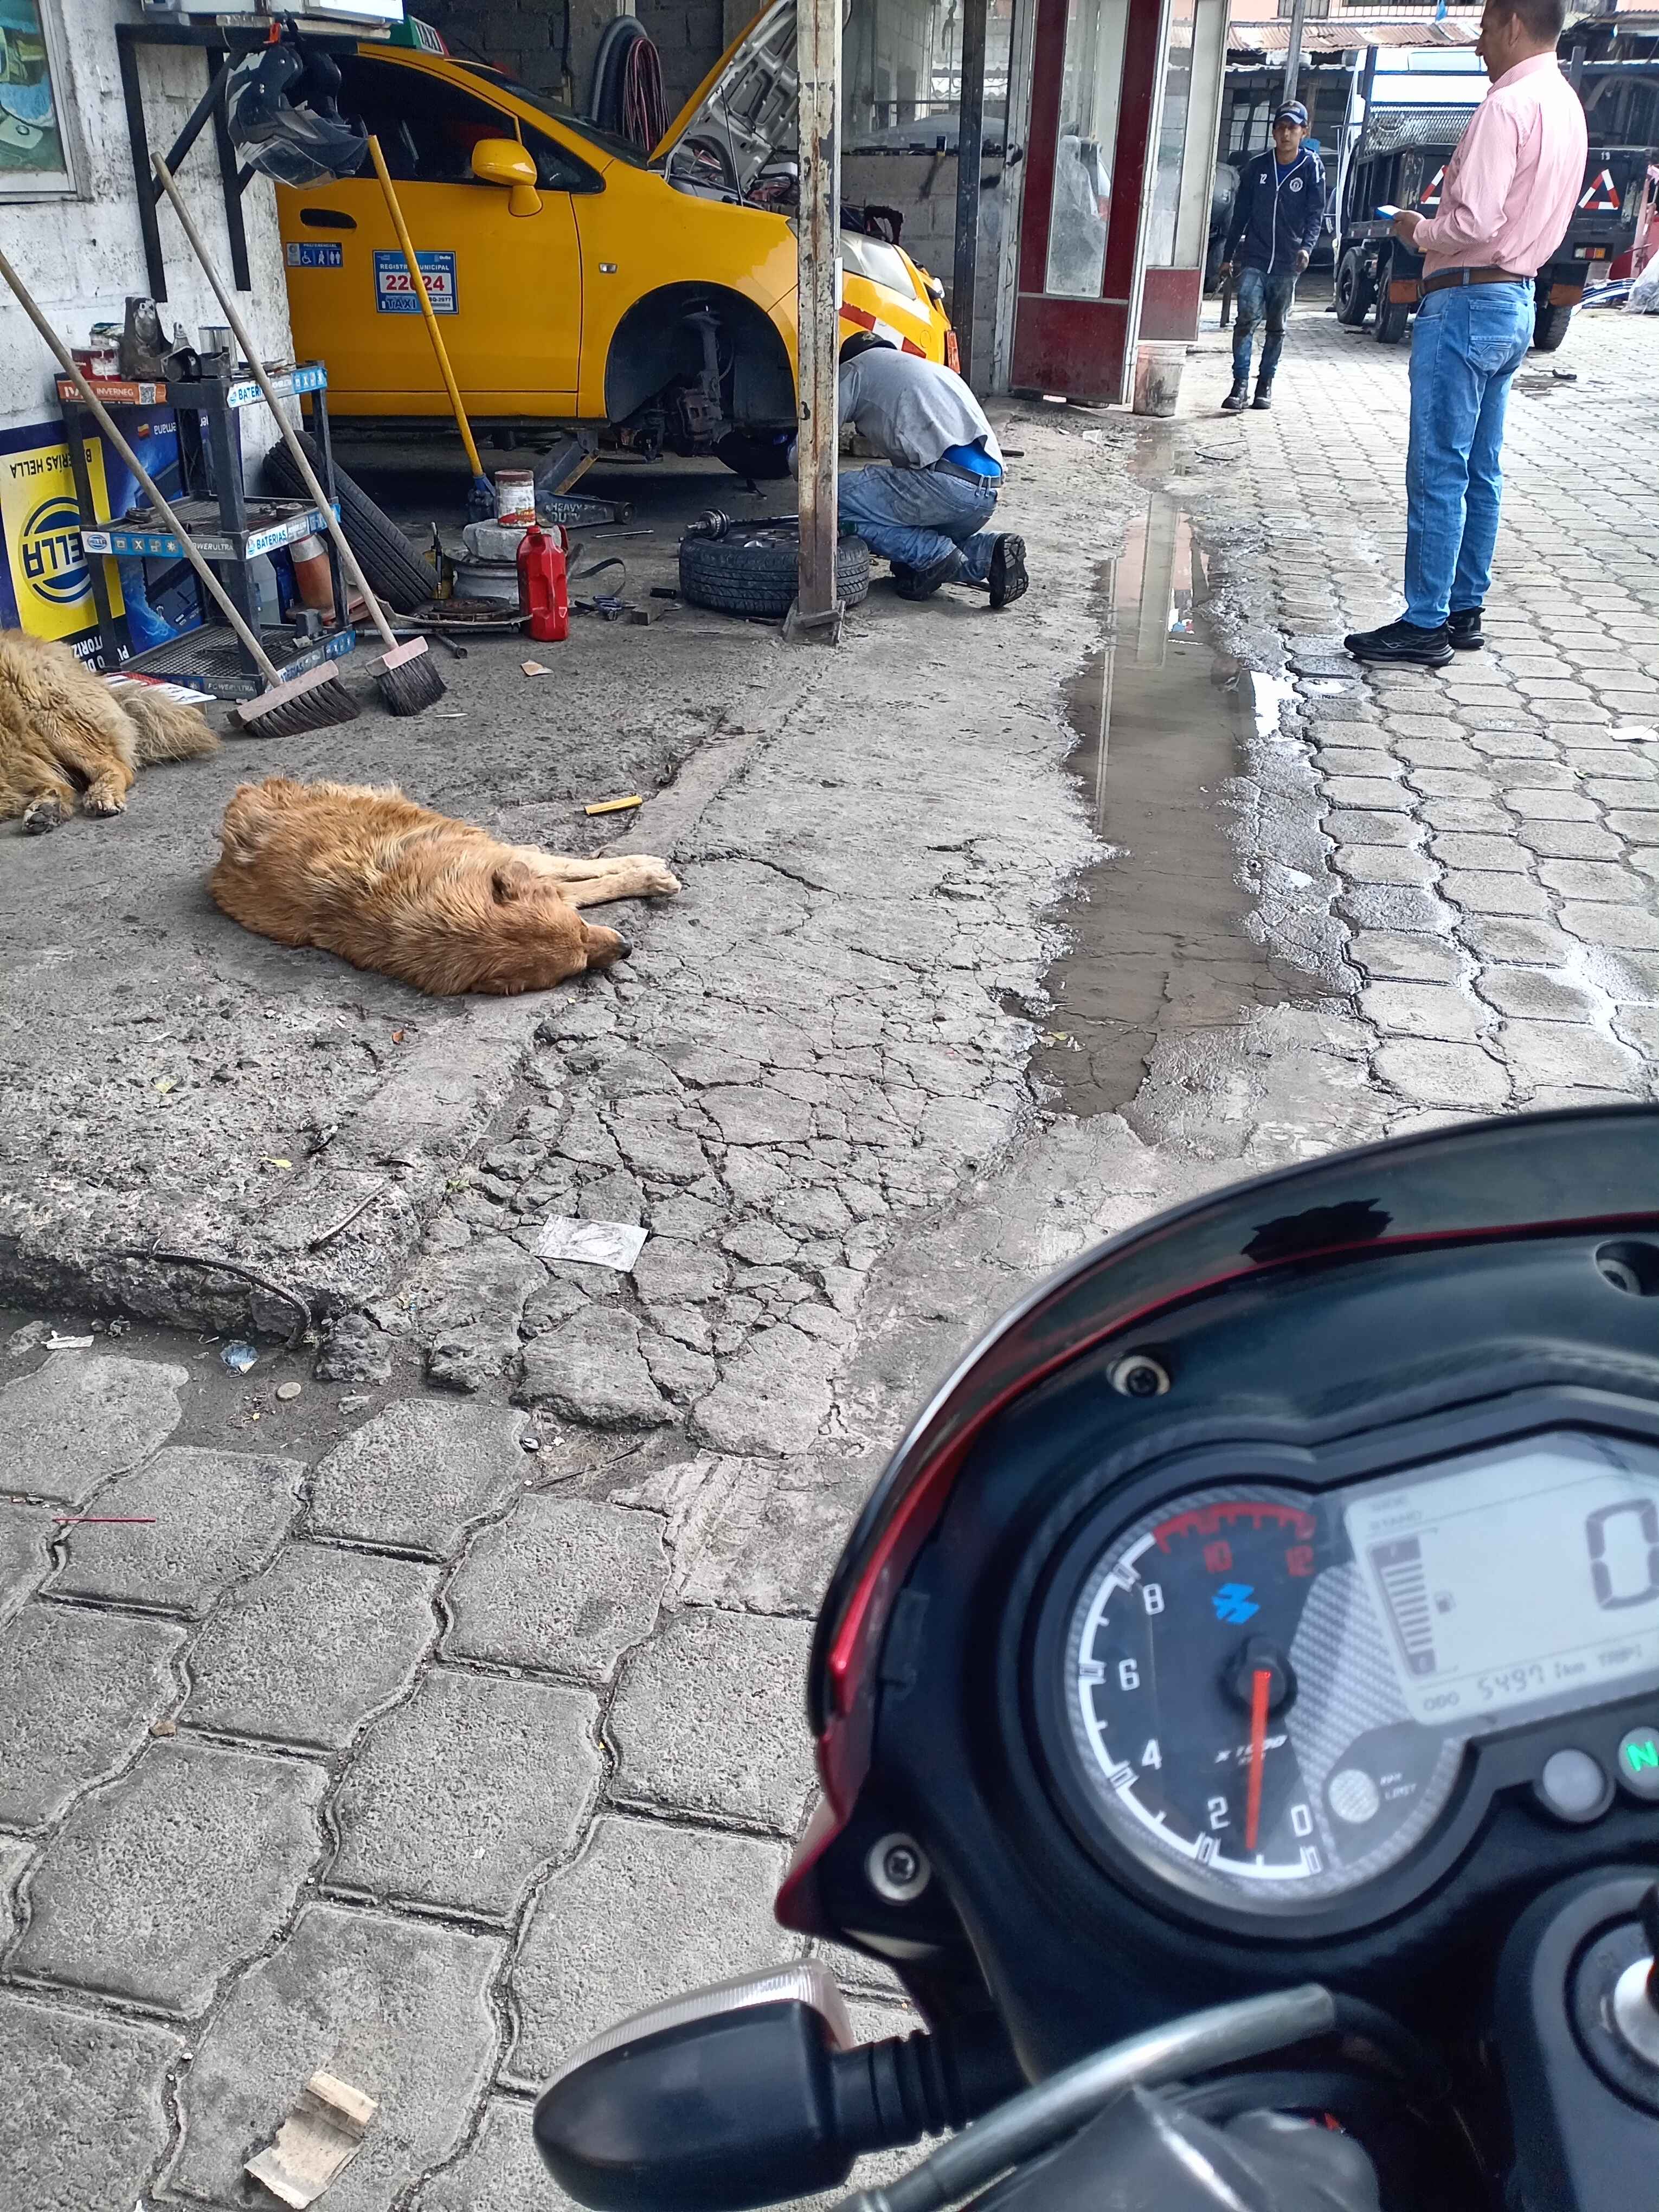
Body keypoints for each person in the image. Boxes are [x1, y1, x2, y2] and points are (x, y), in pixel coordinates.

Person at [1345, 0, 1586, 666]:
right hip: (1515, 299)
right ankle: (1463, 609)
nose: (1479, 46)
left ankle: (1424, 623)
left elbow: (1473, 222)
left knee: (1439, 468)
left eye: (1483, 30)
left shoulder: (1506, 107)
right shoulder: (1566, 107)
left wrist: (1417, 229)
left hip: (1467, 300)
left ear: (1513, 23)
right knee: (1482, 468)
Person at [833, 331, 1027, 607]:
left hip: (946, 485)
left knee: (828, 500)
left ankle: (931, 554)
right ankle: (990, 553)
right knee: (913, 545)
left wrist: (792, 462)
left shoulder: (855, 368)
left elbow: (815, 439)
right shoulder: (932, 372)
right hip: (987, 493)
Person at [1217, 101, 1325, 413]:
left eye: (1293, 128)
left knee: (1276, 326)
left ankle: (1265, 384)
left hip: (1288, 262)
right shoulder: (1257, 168)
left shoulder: (1311, 167)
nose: (1286, 134)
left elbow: (1315, 213)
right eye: (1281, 128)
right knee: (1246, 321)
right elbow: (1240, 215)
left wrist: (1306, 247)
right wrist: (1228, 256)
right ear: (1274, 132)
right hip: (1256, 257)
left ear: (1304, 132)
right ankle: (1240, 386)